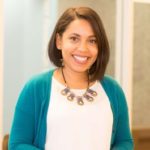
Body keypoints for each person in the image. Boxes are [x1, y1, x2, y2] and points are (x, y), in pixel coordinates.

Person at [9, 7, 133, 150]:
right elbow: (17, 144)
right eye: (74, 38)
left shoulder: (113, 90)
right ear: (59, 41)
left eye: (92, 41)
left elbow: (124, 142)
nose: (83, 48)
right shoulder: (35, 88)